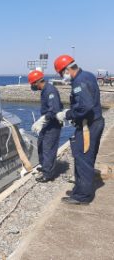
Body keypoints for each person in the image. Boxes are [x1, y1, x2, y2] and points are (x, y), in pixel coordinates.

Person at [54, 54, 105, 205]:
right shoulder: (87, 75)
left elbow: (86, 105)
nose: (62, 77)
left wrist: (68, 114)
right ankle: (81, 189)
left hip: (88, 126)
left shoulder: (79, 82)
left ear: (67, 69)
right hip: (94, 122)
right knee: (85, 157)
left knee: (83, 159)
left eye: (61, 73)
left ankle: (82, 196)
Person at [28, 70, 63, 182]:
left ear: (37, 82)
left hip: (52, 124)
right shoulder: (44, 90)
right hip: (47, 124)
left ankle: (48, 174)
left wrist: (43, 120)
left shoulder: (50, 91)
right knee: (41, 145)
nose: (32, 86)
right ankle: (44, 166)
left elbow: (54, 109)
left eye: (32, 84)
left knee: (48, 148)